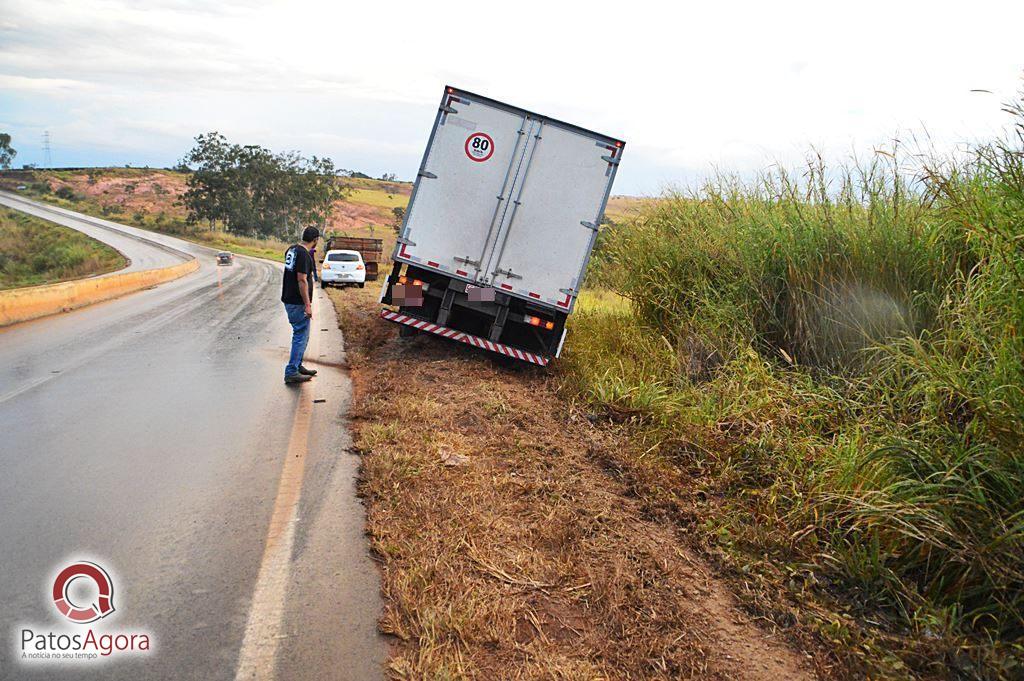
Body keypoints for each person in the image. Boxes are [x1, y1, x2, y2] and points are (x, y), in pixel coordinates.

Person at [281, 226, 321, 384]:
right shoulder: (304, 254)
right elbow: (301, 279)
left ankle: (297, 366)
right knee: (300, 335)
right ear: (315, 240)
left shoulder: (292, 249)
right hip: (297, 302)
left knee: (303, 335)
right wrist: (307, 305)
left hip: (289, 298)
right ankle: (291, 371)